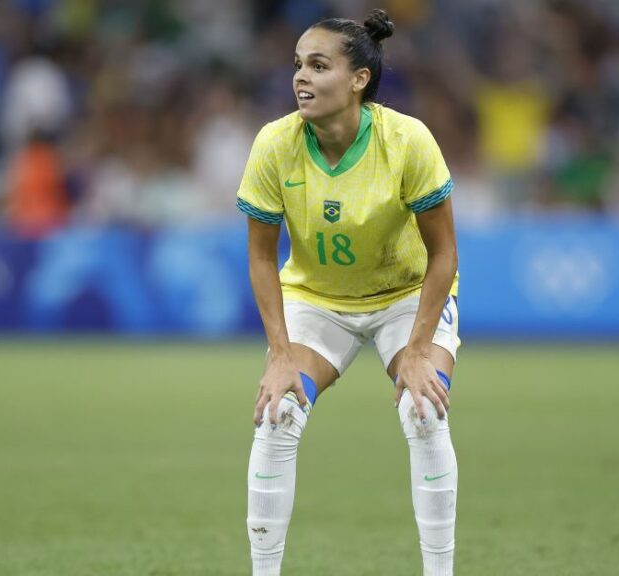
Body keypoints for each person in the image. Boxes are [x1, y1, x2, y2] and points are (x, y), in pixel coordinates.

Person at [236, 9, 460, 576]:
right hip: (319, 301)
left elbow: (444, 255)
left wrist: (415, 349)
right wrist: (281, 354)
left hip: (406, 295)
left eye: (318, 65)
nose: (300, 78)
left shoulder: (408, 140)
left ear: (359, 79)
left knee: (423, 409)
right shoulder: (274, 145)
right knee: (277, 414)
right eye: (297, 66)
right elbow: (262, 256)